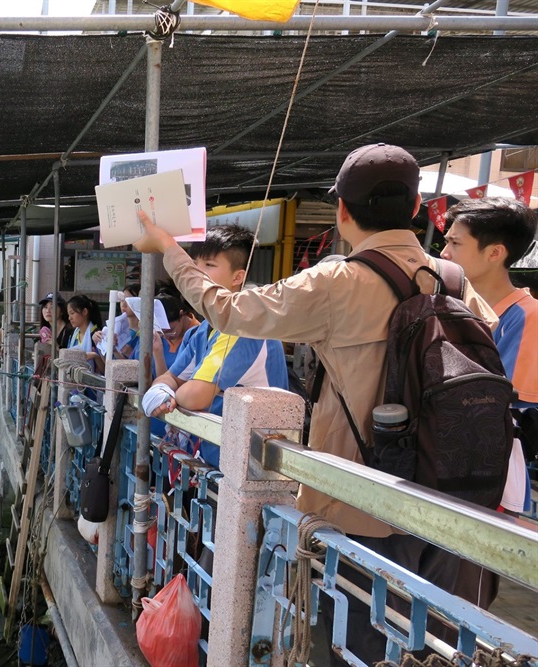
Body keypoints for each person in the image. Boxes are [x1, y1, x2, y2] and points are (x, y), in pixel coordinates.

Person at [134, 143, 498, 665]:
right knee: (425, 643)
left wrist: (168, 246)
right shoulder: (456, 280)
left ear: (342, 212)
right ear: (418, 207)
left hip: (361, 504)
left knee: (352, 643)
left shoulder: (336, 280)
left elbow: (229, 310)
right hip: (448, 503)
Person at [440, 196, 538, 610]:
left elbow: (514, 408)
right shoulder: (454, 306)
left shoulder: (527, 317)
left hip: (488, 478)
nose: (443, 252)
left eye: (455, 243)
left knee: (464, 598)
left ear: (495, 252)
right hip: (445, 469)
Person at [142, 225, 289, 467]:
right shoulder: (202, 330)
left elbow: (195, 397)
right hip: (210, 461)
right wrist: (164, 389)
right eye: (194, 263)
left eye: (209, 265)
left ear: (238, 277)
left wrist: (172, 396)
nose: (196, 273)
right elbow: (168, 377)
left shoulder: (244, 326)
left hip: (246, 469)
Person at [66, 295, 104, 371]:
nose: (69, 318)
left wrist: (95, 356)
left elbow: (104, 369)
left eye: (72, 313)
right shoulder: (73, 334)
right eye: (68, 314)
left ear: (84, 312)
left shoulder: (97, 335)